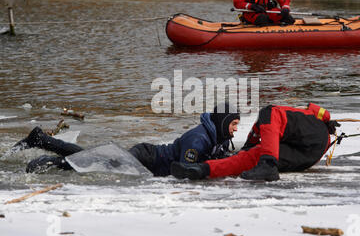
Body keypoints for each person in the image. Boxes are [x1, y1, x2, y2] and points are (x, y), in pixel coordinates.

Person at [14, 103, 240, 175]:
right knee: (96, 162)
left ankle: (42, 140)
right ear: (222, 123)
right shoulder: (198, 139)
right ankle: (52, 161)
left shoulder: (215, 136)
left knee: (94, 156)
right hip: (146, 159)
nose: (235, 130)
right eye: (233, 124)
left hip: (147, 157)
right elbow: (183, 170)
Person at [170, 103, 340, 182]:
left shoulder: (310, 119)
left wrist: (249, 144)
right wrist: (245, 150)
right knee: (252, 156)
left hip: (317, 134)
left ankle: (268, 165)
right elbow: (257, 136)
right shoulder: (270, 136)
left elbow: (265, 124)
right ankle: (202, 170)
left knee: (269, 111)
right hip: (310, 156)